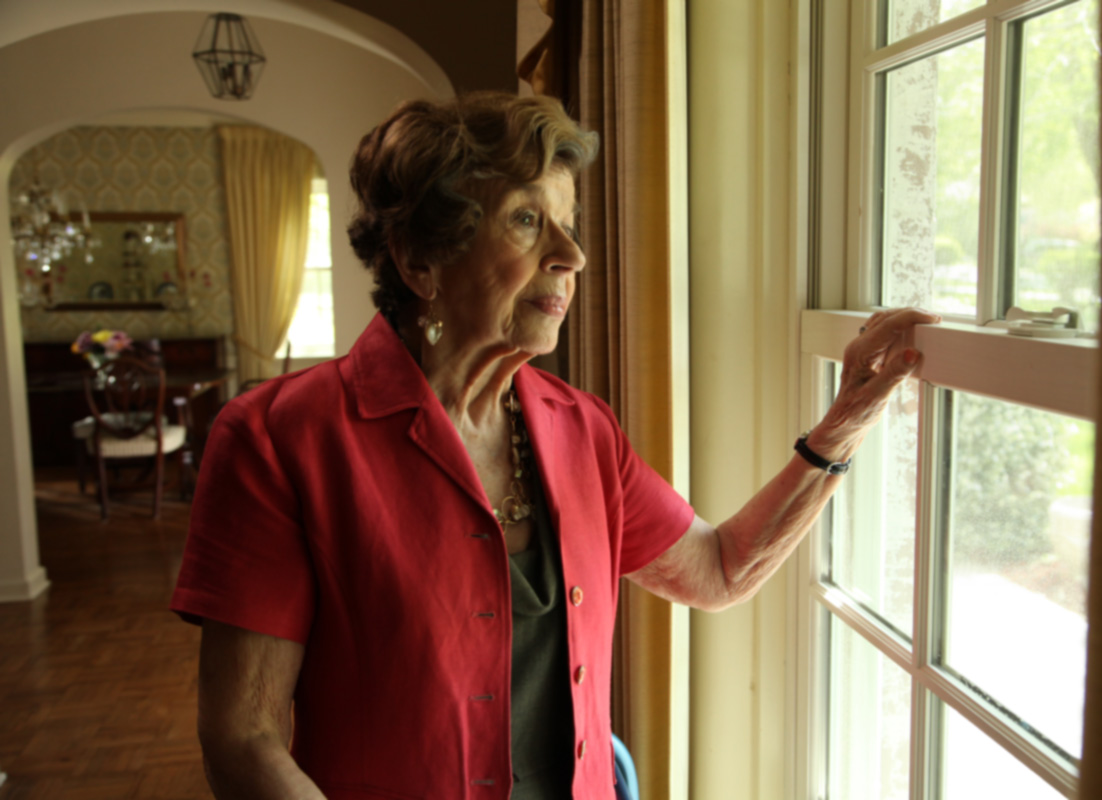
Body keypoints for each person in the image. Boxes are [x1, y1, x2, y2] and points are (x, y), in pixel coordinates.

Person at [171, 91, 939, 800]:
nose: (571, 255)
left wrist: (842, 425)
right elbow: (245, 736)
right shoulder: (280, 440)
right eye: (527, 220)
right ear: (419, 261)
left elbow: (718, 569)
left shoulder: (583, 429)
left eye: (568, 221)